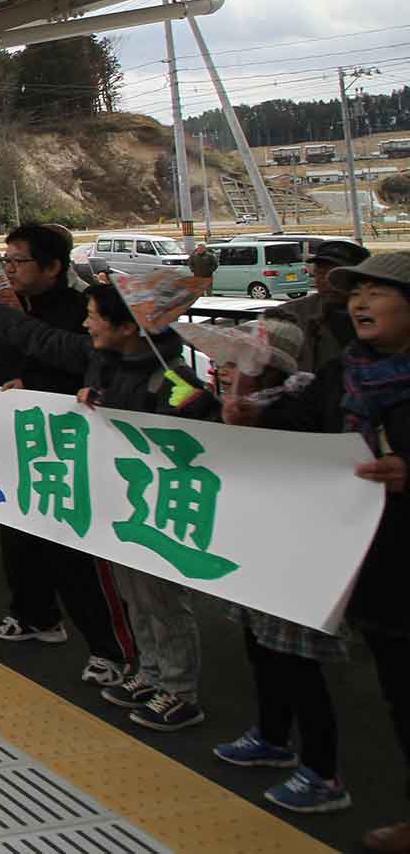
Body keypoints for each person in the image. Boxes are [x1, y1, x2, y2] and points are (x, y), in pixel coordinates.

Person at [0, 279, 215, 731]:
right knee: (133, 592)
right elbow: (48, 344)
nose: (86, 323)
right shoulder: (104, 363)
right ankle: (149, 674)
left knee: (162, 598)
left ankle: (180, 690)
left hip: (155, 508)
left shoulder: (171, 378)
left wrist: (203, 405)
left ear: (128, 327)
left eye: (94, 315)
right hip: (118, 504)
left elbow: (199, 425)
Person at [0, 225, 138, 688]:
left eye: (17, 262)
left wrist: (35, 387)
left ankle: (112, 650)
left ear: (52, 267)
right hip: (21, 445)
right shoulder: (14, 308)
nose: (8, 269)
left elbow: (80, 368)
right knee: (19, 537)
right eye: (5, 261)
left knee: (75, 553)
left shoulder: (78, 313)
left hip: (71, 453)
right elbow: (3, 359)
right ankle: (35, 616)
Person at [209, 320, 352, 815]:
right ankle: (271, 736)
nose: (227, 368)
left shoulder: (303, 401)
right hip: (253, 546)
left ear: (269, 367)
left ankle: (323, 772)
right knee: (261, 649)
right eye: (227, 359)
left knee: (298, 664)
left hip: (296, 554)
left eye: (240, 359)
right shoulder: (231, 404)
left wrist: (250, 419)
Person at [329, 252, 410, 851]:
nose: (359, 302)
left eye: (377, 293)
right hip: (384, 570)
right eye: (355, 292)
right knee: (401, 695)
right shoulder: (351, 373)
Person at [265, 239, 370, 425]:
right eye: (320, 272)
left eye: (335, 273)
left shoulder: (376, 320)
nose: (326, 280)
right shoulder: (289, 314)